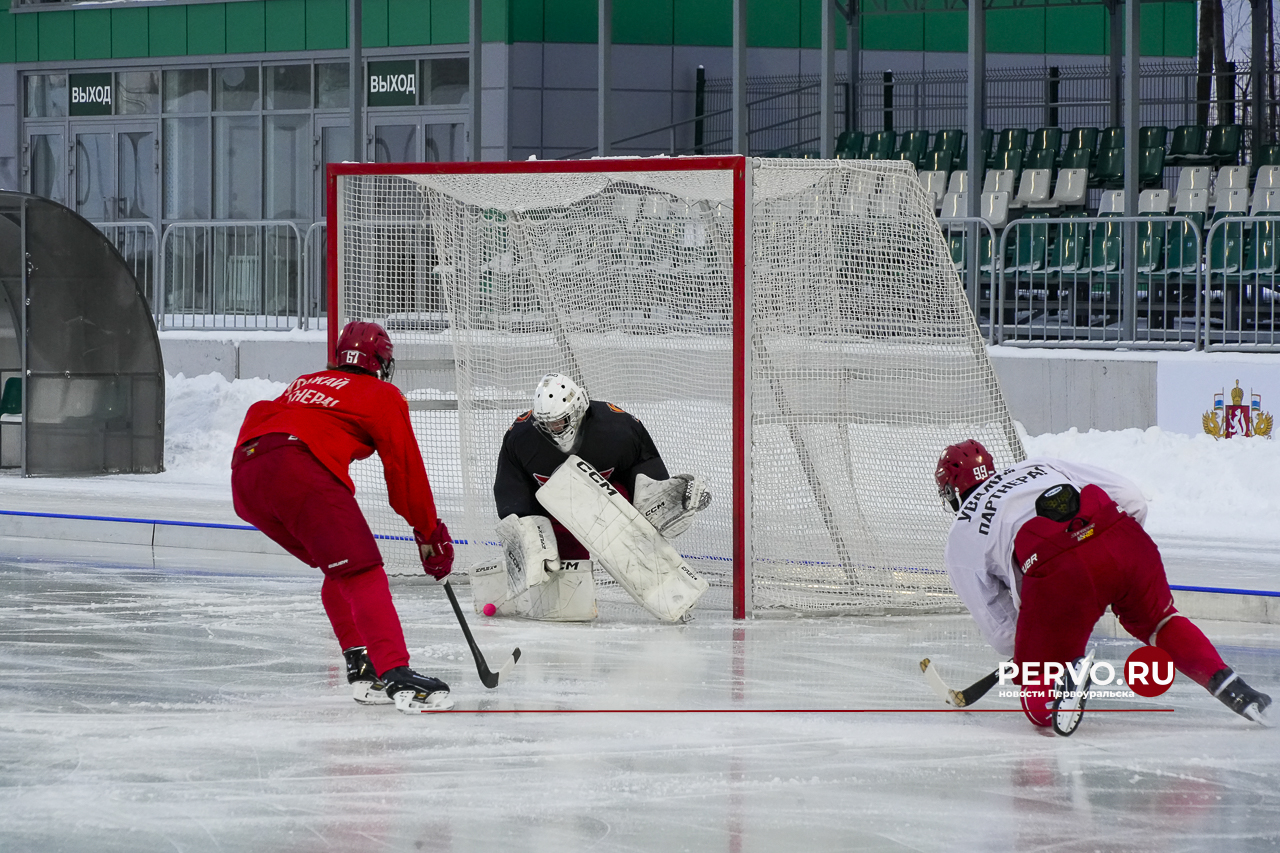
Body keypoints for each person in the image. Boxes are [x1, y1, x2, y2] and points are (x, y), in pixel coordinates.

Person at [935, 439, 1271, 732]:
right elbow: (1132, 497)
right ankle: (1232, 687)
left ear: (952, 491)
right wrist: (1110, 564)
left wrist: (1039, 643)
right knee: (1161, 621)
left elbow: (1000, 630)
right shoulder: (1038, 464)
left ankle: (1067, 678)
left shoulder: (961, 534)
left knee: (1035, 704)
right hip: (1122, 537)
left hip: (1059, 571)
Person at [231, 321, 456, 714]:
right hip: (297, 467)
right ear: (381, 363)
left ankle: (363, 667)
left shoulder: (306, 381)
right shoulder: (381, 394)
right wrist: (429, 534)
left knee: (341, 566)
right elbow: (405, 474)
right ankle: (398, 674)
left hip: (247, 475)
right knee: (361, 570)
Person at [485, 373, 711, 621]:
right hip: (553, 510)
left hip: (608, 504)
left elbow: (645, 477)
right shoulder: (521, 437)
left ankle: (670, 591)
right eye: (547, 424)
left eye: (560, 421)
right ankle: (565, 597)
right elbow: (512, 491)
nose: (553, 429)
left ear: (579, 408)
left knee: (628, 530)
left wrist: (665, 500)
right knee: (555, 565)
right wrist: (528, 537)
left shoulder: (618, 428)